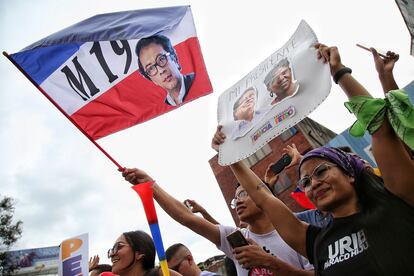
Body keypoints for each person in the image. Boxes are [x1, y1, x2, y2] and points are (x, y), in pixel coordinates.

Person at [212, 43, 414, 275]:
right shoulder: (317, 242)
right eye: (305, 182)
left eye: (320, 172)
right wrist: (229, 155)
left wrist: (339, 72)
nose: (313, 183)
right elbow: (262, 196)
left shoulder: (395, 203)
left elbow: (379, 127)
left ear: (349, 173)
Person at [121, 169, 313, 276]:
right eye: (235, 198)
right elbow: (186, 217)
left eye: (244, 194)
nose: (237, 201)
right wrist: (150, 184)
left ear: (264, 197)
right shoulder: (236, 239)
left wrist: (268, 262)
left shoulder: (297, 232)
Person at [136, 35, 195, 106]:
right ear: (152, 80)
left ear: (174, 59)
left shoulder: (198, 80)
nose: (161, 71)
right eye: (151, 68)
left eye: (161, 59)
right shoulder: (161, 109)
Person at [108, 230, 181, 276]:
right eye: (112, 249)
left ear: (139, 253)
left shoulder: (161, 274)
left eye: (118, 246)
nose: (111, 254)